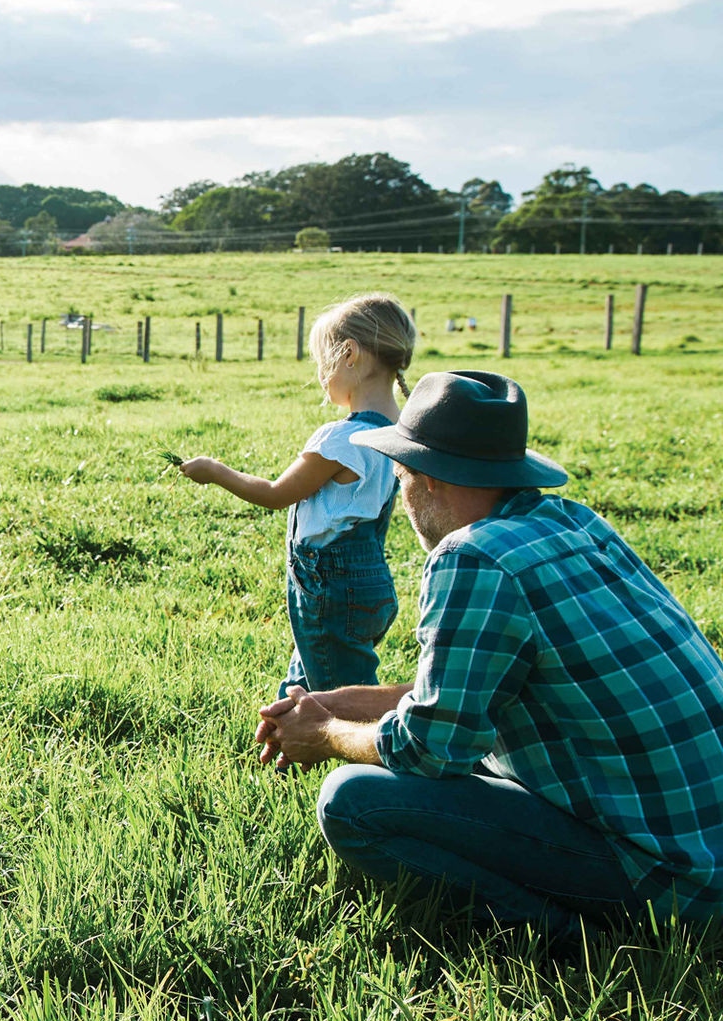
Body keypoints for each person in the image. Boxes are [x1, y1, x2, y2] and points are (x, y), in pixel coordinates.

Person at [256, 370, 723, 937]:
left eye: (400, 476)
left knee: (352, 800)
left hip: (667, 882)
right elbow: (478, 686)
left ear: (425, 480)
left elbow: (431, 750)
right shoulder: (573, 522)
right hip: (699, 844)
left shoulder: (472, 556)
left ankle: (574, 940)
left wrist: (328, 737)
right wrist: (338, 705)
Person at [176, 294, 417, 692]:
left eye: (324, 362)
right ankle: (280, 743)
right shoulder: (402, 433)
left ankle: (378, 752)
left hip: (330, 587)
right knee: (306, 679)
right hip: (370, 582)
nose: (322, 375)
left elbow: (275, 493)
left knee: (342, 701)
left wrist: (215, 471)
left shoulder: (342, 438)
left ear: (349, 354)